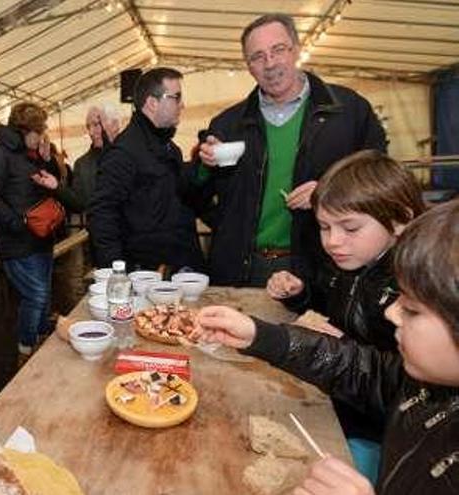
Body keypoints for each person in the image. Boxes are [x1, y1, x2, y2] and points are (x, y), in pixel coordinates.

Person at [194, 199, 459, 494]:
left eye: (412, 309)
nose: (390, 312)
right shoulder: (427, 382)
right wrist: (260, 336)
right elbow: (364, 372)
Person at [194, 13, 386, 287]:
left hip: (323, 265)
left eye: (278, 50)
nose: (270, 63)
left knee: (310, 331)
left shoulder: (349, 110)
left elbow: (380, 175)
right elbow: (194, 195)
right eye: (257, 57)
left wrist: (327, 191)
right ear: (248, 66)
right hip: (243, 268)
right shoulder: (227, 123)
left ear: (296, 49)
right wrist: (207, 170)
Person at [267, 149, 426, 479]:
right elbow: (333, 311)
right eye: (324, 227)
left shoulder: (417, 288)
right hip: (338, 403)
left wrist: (341, 345)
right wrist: (301, 296)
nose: (333, 241)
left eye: (349, 228)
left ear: (400, 220)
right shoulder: (350, 263)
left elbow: (393, 381)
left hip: (376, 435)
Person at [89, 67, 205, 273]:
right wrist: (118, 277)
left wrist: (206, 165)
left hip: (177, 270)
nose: (183, 104)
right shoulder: (123, 153)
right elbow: (103, 216)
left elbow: (182, 199)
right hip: (148, 277)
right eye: (176, 98)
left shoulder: (169, 147)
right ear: (152, 103)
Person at [0, 102, 65, 363]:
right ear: (25, 129)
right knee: (36, 294)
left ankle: (39, 342)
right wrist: (18, 223)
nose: (41, 136)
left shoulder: (29, 153)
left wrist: (49, 161)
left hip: (40, 238)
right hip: (16, 241)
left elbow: (51, 185)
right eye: (39, 131)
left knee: (43, 295)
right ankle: (25, 351)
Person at [70, 103, 122, 213]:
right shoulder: (81, 164)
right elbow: (79, 204)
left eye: (96, 125)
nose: (90, 132)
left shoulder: (131, 156)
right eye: (88, 127)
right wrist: (57, 188)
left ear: (115, 124)